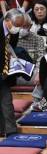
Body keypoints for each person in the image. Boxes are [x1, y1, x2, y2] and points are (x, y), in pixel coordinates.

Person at [0, 8, 18, 136]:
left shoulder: (14, 31)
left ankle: (11, 133)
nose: (18, 27)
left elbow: (11, 47)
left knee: (6, 102)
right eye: (17, 24)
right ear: (7, 20)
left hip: (4, 71)